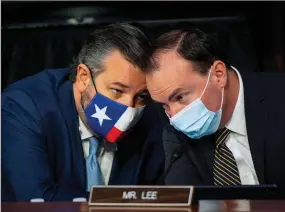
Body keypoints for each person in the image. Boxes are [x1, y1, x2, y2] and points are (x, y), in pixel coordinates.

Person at [2, 23, 164, 202]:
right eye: (117, 91)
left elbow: (161, 198)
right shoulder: (24, 107)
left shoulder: (152, 118)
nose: (129, 108)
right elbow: (37, 201)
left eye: (140, 96)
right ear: (83, 78)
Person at [144, 27, 285, 197]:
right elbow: (185, 197)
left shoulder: (279, 99)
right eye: (164, 105)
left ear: (218, 75)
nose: (173, 116)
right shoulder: (174, 129)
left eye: (180, 97)